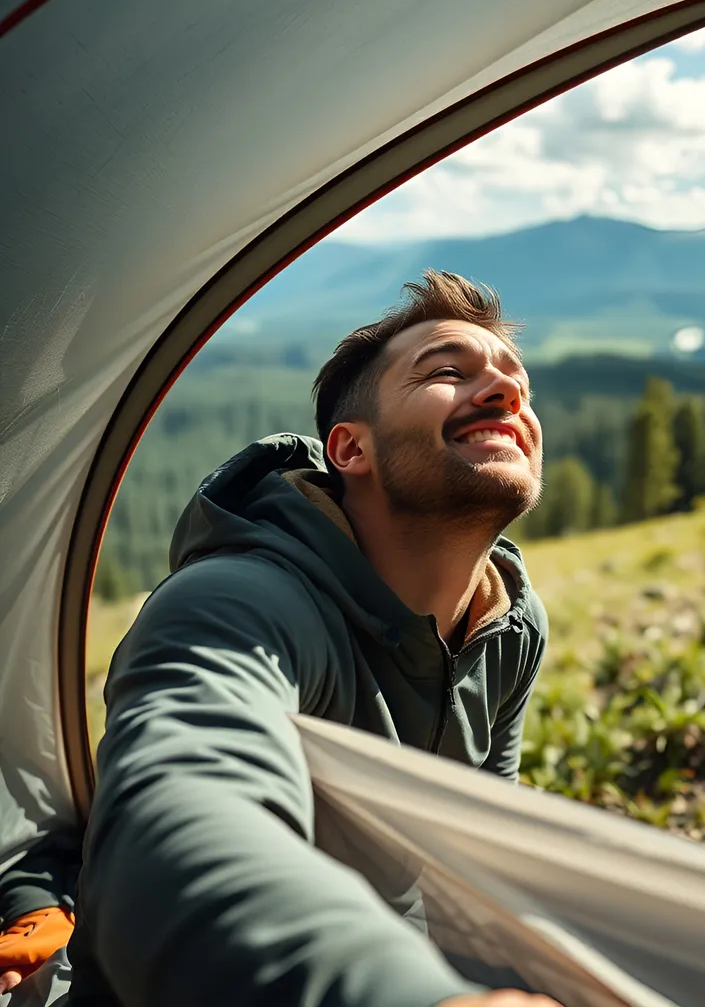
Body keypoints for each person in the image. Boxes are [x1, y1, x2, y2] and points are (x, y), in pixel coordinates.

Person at [0, 270, 558, 1007]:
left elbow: (483, 850)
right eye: (449, 372)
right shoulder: (237, 603)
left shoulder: (510, 626)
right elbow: (173, 836)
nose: (504, 391)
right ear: (350, 450)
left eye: (516, 380)